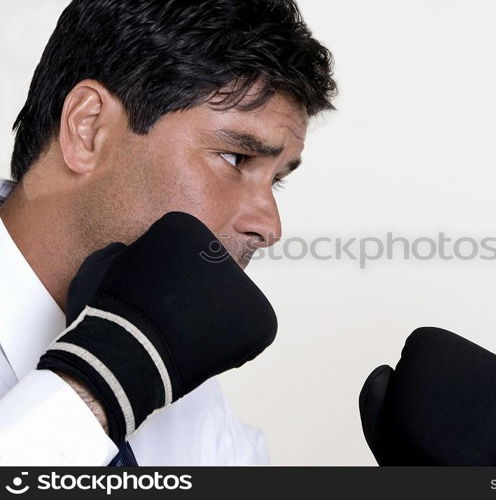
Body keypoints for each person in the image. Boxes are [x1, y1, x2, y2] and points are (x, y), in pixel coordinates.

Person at [0, 0, 337, 466]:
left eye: (276, 179)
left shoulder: (179, 380)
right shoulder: (138, 359)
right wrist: (97, 386)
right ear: (88, 128)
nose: (269, 226)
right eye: (235, 158)